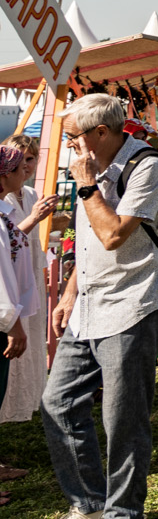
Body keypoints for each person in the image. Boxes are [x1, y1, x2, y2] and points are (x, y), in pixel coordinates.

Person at [43, 93, 158, 519]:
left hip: (133, 304)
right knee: (58, 404)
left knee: (123, 421)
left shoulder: (148, 167)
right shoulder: (95, 166)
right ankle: (90, 502)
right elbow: (86, 244)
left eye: (73, 138)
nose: (70, 147)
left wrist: (85, 184)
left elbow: (113, 235)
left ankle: (123, 513)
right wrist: (69, 293)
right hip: (88, 305)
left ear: (101, 132)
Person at [0, 138, 58, 428]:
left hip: (28, 275)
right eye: (19, 159)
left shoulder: (32, 193)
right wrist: (35, 218)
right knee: (12, 341)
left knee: (30, 339)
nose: (25, 164)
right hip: (7, 283)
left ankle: (27, 402)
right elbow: (8, 240)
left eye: (31, 159)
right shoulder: (4, 197)